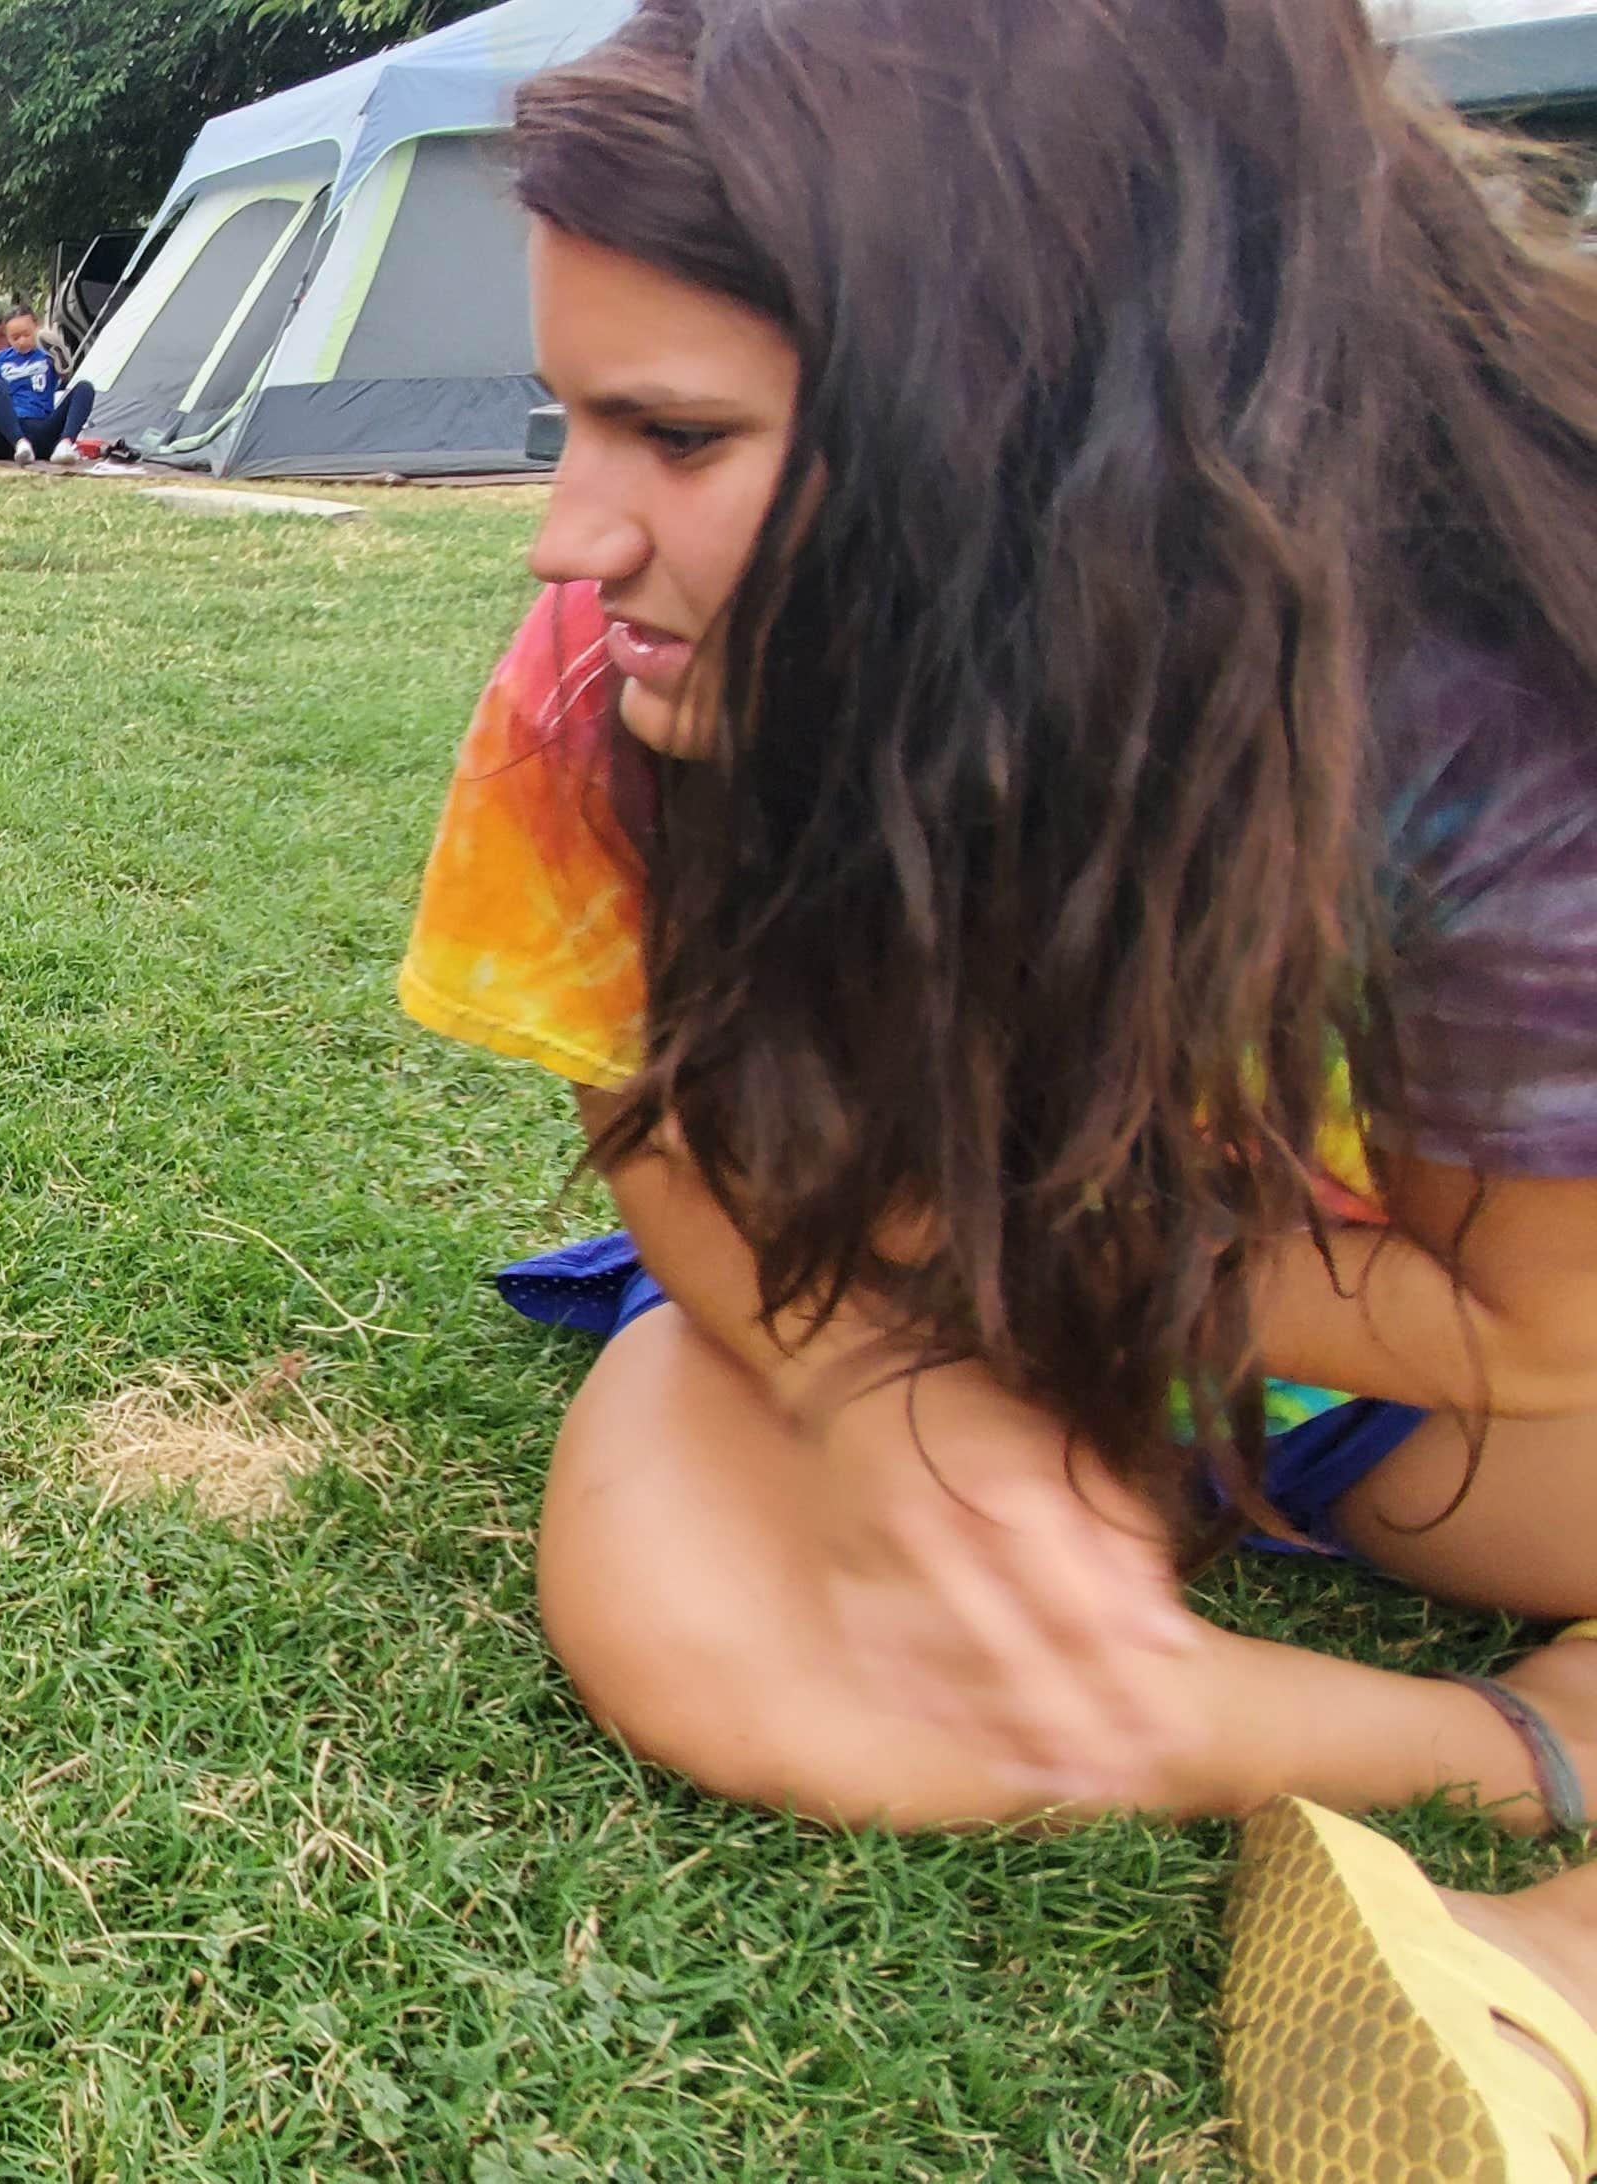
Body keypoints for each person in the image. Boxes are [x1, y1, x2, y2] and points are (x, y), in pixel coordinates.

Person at [396, 0, 1597, 2171]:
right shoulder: (622, 660)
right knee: (684, 1612)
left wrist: (1030, 1247)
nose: (570, 538)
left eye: (676, 437)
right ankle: (1489, 1748)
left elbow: (1534, 1322)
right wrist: (870, 1397)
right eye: (570, 416)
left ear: (1035, 442)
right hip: (950, 1331)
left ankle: (1550, 1946)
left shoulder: (1484, 698)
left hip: (1429, 1371)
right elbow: (656, 1135)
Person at [0, 313, 74, 462]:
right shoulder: (0, 359)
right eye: (15, 337)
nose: (22, 341)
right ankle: (21, 444)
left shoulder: (48, 356)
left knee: (84, 388)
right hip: (9, 434)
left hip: (41, 426)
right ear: (7, 338)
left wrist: (58, 353)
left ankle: (65, 445)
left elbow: (66, 376)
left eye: (26, 334)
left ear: (36, 329)